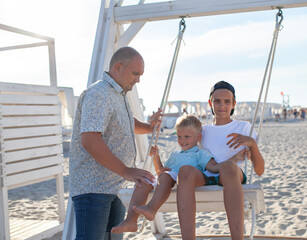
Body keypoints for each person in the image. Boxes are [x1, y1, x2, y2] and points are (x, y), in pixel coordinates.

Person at [69, 46, 162, 240]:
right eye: (135, 73)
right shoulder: (99, 93)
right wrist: (127, 171)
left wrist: (149, 127)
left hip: (115, 185)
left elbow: (126, 123)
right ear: (117, 67)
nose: (138, 80)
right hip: (94, 187)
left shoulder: (118, 94)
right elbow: (90, 139)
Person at [111, 114, 247, 234]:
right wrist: (156, 157)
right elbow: (162, 171)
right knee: (144, 181)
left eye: (187, 137)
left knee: (165, 177)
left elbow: (214, 167)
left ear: (198, 137)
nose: (182, 140)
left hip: (184, 180)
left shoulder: (200, 153)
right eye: (179, 136)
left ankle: (152, 208)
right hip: (168, 179)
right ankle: (131, 221)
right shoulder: (175, 154)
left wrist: (233, 159)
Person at [176, 81, 265, 240]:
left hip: (232, 176)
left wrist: (251, 143)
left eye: (227, 101)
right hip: (208, 175)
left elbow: (259, 170)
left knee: (228, 167)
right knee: (185, 171)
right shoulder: (202, 130)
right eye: (217, 101)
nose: (221, 105)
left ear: (233, 104)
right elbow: (191, 153)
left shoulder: (244, 127)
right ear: (211, 103)